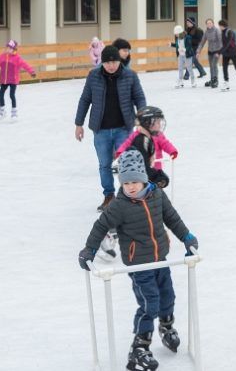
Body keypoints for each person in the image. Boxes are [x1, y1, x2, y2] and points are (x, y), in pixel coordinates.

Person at [78, 149, 199, 371]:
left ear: (144, 179)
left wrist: (187, 237)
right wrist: (89, 249)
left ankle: (166, 326)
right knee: (149, 303)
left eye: (134, 181)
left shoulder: (158, 196)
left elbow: (172, 218)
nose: (130, 187)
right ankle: (139, 347)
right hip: (139, 264)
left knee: (168, 295)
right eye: (126, 183)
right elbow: (101, 226)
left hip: (160, 259)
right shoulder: (119, 205)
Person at [75, 45, 148, 211]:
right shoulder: (94, 75)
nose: (111, 65)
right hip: (101, 129)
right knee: (105, 164)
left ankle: (128, 195)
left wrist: (142, 120)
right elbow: (85, 99)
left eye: (114, 61)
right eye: (107, 62)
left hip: (123, 128)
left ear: (119, 61)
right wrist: (79, 124)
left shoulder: (130, 75)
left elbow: (139, 98)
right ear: (102, 62)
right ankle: (109, 195)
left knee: (126, 162)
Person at [114, 106, 179, 189]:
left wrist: (172, 151)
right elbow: (126, 144)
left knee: (156, 189)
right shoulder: (138, 137)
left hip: (156, 166)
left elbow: (165, 143)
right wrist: (120, 152)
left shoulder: (158, 135)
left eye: (160, 122)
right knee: (147, 188)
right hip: (144, 169)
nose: (160, 125)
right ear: (147, 123)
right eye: (157, 123)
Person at [0, 39, 36, 120]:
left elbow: (25, 65)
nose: (7, 49)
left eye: (9, 48)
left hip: (13, 80)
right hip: (4, 79)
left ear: (14, 49)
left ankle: (14, 112)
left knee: (12, 95)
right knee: (1, 95)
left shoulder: (17, 58)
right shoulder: (3, 56)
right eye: (7, 47)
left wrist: (31, 71)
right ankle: (2, 111)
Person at [217, 19, 236, 91]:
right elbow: (223, 43)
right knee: (224, 68)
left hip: (233, 52)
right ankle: (226, 84)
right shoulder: (222, 32)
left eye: (219, 25)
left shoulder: (229, 32)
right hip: (226, 53)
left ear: (222, 25)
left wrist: (219, 52)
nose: (219, 27)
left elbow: (228, 43)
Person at [203, 19, 223, 88]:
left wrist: (219, 51)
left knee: (214, 64)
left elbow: (221, 41)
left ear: (213, 23)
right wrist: (198, 51)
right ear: (206, 25)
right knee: (211, 66)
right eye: (207, 23)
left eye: (210, 23)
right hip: (210, 51)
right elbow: (202, 42)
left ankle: (216, 80)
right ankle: (212, 79)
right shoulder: (206, 32)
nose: (209, 24)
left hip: (216, 51)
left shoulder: (217, 30)